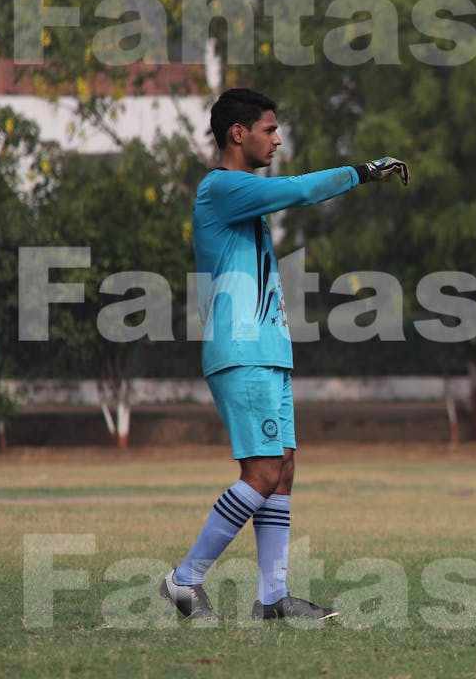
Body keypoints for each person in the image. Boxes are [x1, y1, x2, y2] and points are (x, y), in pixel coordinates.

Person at [159, 88, 408, 621]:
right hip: (241, 349)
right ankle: (185, 579)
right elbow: (299, 192)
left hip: (268, 348)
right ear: (238, 134)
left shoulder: (242, 191)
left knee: (283, 469)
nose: (277, 138)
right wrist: (361, 171)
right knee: (263, 471)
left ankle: (273, 598)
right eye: (269, 129)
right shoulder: (222, 187)